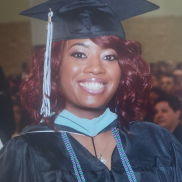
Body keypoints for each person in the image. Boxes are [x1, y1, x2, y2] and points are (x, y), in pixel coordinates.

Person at [0, 0, 182, 182]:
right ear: (55, 66)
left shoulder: (158, 142)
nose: (96, 68)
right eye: (79, 54)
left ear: (122, 70)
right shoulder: (28, 150)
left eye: (109, 57)